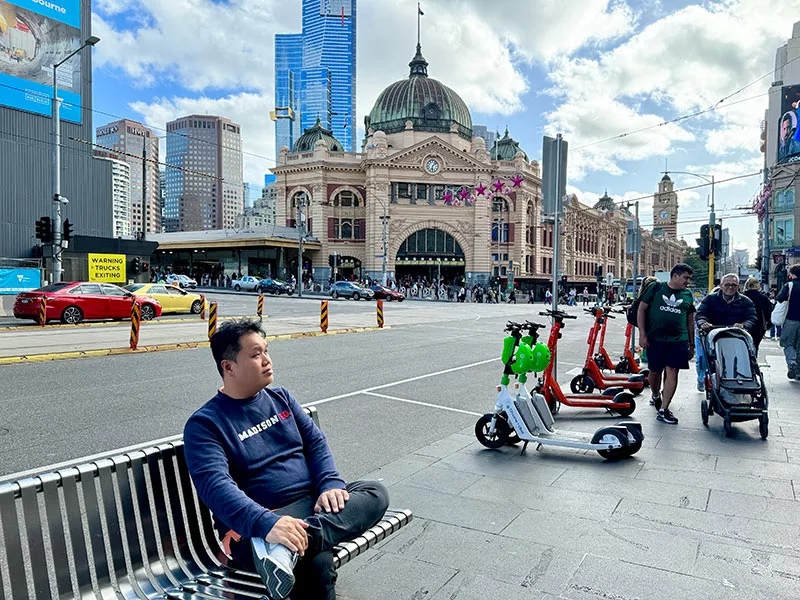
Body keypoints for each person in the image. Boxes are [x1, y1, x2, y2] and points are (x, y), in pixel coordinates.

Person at [183, 319, 389, 600]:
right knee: (316, 563)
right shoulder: (206, 424)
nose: (267, 360)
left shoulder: (281, 399)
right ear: (228, 367)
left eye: (266, 351)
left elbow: (315, 443)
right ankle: (294, 544)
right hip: (257, 527)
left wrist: (330, 484)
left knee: (375, 492)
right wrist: (268, 524)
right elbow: (215, 487)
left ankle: (295, 545)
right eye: (255, 355)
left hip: (312, 507)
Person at [637, 264, 696, 425]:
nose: (688, 281)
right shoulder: (656, 288)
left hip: (678, 340)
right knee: (654, 372)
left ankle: (664, 409)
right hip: (655, 339)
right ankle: (656, 395)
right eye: (686, 278)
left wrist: (692, 344)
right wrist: (642, 334)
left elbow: (690, 320)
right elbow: (641, 309)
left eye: (689, 278)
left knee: (673, 371)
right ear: (675, 276)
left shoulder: (687, 294)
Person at [776, 264, 800, 379]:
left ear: (793, 274)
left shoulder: (789, 285)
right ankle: (799, 372)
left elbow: (779, 298)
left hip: (791, 319)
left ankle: (792, 363)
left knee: (788, 343)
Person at [742, 277, 773, 354]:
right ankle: (754, 361)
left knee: (744, 345)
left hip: (743, 323)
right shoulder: (763, 298)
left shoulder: (742, 297)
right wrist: (769, 323)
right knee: (755, 344)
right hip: (759, 325)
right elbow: (768, 312)